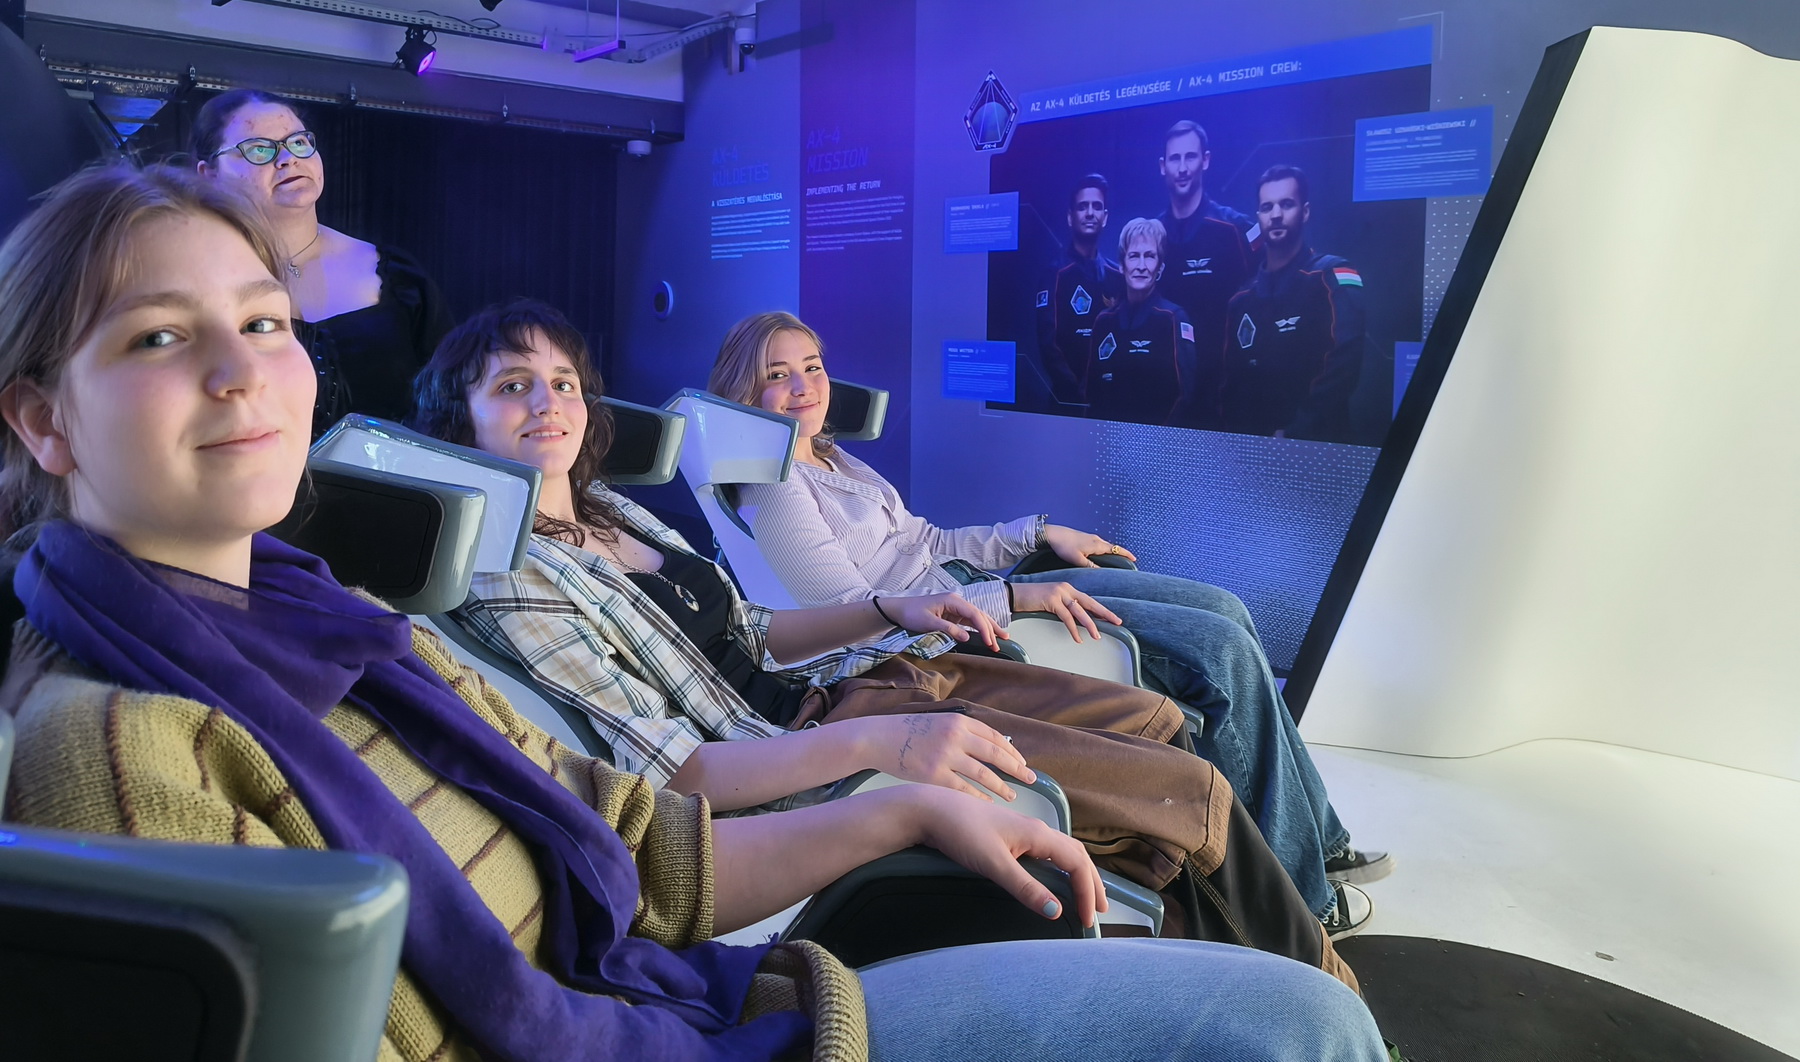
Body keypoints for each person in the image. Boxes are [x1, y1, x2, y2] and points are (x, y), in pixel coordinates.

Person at [0, 166, 1387, 1062]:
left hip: (691, 983)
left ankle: (1296, 919)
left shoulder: (355, 625)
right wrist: (891, 746)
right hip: (696, 990)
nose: (244, 372)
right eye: (159, 336)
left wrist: (903, 802)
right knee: (1291, 1021)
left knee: (1241, 893)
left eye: (265, 321)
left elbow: (629, 835)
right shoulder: (115, 754)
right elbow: (686, 773)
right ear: (41, 418)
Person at [412, 300, 1359, 974]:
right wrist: (885, 738)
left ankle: (1257, 970)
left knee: (1162, 733)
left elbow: (756, 629)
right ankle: (1327, 997)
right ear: (461, 417)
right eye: (513, 386)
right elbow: (680, 771)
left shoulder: (617, 513)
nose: (549, 404)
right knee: (1188, 788)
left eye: (564, 382)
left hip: (865, 680)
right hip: (819, 742)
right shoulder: (508, 572)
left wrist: (891, 612)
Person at [715, 310, 1393, 931]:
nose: (802, 387)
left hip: (980, 593)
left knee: (1227, 609)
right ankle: (1309, 899)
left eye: (812, 367)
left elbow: (927, 542)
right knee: (1220, 652)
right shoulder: (776, 488)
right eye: (777, 375)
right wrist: (1014, 600)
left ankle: (1318, 841)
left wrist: (1038, 532)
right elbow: (860, 617)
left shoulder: (830, 457)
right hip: (955, 635)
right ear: (745, 391)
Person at [193, 89, 451, 434]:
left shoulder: (397, 276)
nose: (288, 159)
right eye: (259, 149)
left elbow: (455, 401)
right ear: (208, 173)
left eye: (299, 142)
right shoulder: (195, 284)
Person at [1220, 166, 1367, 442]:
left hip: (1319, 448)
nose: (1276, 215)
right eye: (1267, 207)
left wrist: (1295, 433)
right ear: (1259, 216)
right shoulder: (1241, 300)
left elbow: (1344, 365)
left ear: (1305, 212)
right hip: (1252, 452)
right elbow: (1231, 384)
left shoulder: (1332, 276)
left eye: (1286, 204)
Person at [1154, 121, 1257, 422]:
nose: (1182, 168)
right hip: (1167, 398)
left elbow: (1284, 263)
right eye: (1175, 158)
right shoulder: (1152, 236)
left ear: (1206, 160)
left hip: (1226, 398)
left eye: (1191, 157)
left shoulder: (1236, 227)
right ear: (1162, 166)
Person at [1084, 218, 1198, 428]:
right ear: (1121, 265)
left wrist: (1152, 441)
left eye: (1150, 256)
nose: (1141, 266)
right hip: (1107, 440)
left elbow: (1185, 395)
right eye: (1134, 256)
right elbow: (1092, 392)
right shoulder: (1104, 321)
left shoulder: (1173, 319)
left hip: (1156, 441)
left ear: (1160, 267)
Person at [1034, 175, 1124, 404]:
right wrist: (1077, 393)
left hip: (1112, 400)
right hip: (1068, 402)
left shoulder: (1117, 276)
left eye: (1097, 206)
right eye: (1082, 207)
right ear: (1070, 217)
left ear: (1105, 217)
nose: (1090, 213)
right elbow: (1049, 345)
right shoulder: (1055, 274)